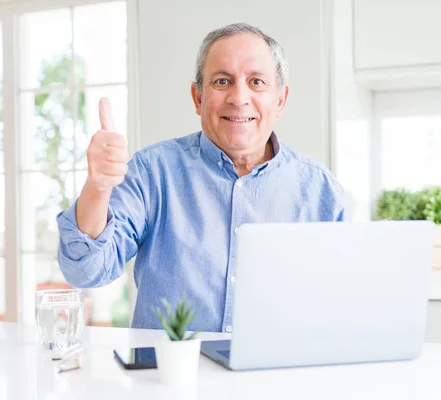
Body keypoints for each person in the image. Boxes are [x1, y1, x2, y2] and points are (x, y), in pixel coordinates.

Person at [57, 23, 346, 333]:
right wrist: (98, 188)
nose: (239, 97)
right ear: (198, 97)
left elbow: (340, 306)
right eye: (222, 81)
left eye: (257, 82)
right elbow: (85, 271)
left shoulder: (321, 191)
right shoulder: (151, 172)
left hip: (276, 378)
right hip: (165, 376)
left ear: (281, 99)